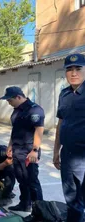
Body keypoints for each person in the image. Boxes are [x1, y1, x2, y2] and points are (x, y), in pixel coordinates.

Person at [0, 86, 44, 212]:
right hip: (17, 150)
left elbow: (39, 130)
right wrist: (10, 145)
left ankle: (40, 211)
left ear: (18, 97)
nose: (9, 103)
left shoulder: (34, 109)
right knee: (21, 180)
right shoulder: (17, 110)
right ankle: (25, 204)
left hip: (29, 151)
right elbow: (15, 130)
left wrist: (35, 150)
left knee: (32, 181)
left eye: (10, 100)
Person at [53, 53, 85, 222]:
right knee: (71, 197)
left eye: (78, 68)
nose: (74, 73)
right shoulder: (64, 94)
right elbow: (60, 123)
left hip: (83, 155)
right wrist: (56, 151)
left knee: (81, 199)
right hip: (67, 155)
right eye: (69, 69)